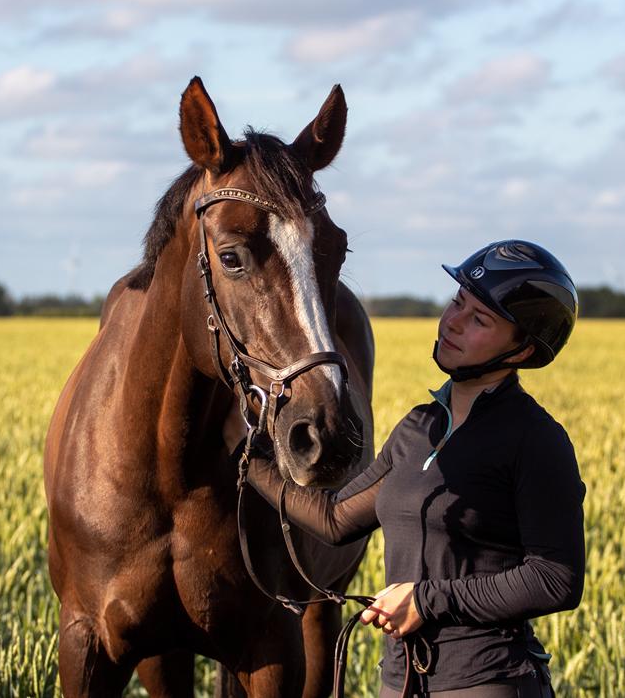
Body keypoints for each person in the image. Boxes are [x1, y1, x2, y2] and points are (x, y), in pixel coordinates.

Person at [238, 240, 586, 697]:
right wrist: (250, 459)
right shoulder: (419, 426)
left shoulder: (535, 439)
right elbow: (336, 519)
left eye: (479, 319)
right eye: (458, 302)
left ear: (522, 350)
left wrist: (426, 600)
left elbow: (555, 579)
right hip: (401, 682)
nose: (453, 323)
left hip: (488, 682)